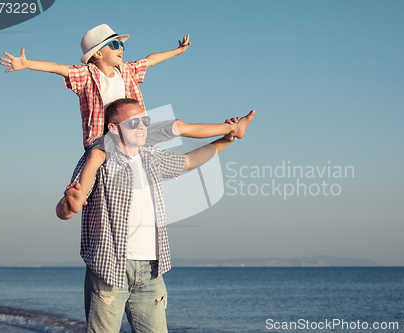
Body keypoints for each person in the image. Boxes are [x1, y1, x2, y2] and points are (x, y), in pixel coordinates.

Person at [0, 23, 253, 214]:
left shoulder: (128, 70)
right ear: (96, 54)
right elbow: (59, 68)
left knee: (177, 126)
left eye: (122, 45)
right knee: (96, 156)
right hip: (105, 135)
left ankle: (232, 128)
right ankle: (79, 195)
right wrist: (27, 63)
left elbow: (151, 59)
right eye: (114, 45)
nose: (121, 48)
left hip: (137, 129)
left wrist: (177, 51)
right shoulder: (86, 75)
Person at [56, 98, 255, 332]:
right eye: (133, 122)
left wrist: (226, 140)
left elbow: (189, 161)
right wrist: (71, 205)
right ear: (113, 128)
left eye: (145, 120)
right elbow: (64, 211)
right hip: (110, 268)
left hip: (151, 270)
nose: (141, 126)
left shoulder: (152, 156)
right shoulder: (99, 158)